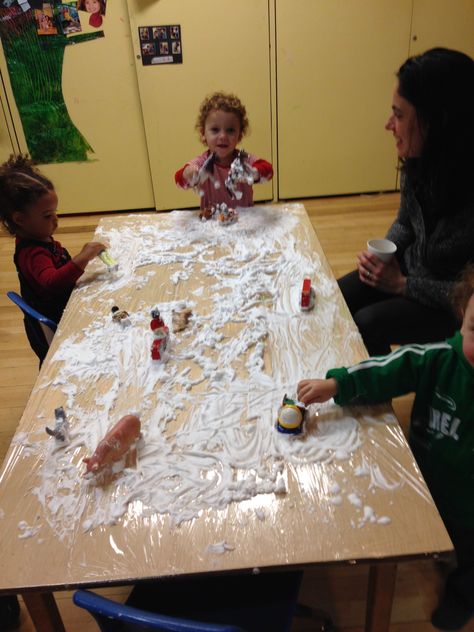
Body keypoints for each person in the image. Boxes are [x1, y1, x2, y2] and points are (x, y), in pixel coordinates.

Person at [297, 263, 474, 631]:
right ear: (462, 317)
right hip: (428, 481)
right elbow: (387, 369)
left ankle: (462, 596)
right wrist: (338, 386)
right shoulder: (438, 357)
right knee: (421, 531)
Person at [338, 48, 474, 356]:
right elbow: (405, 222)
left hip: (453, 304)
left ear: (435, 122)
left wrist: (402, 285)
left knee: (368, 322)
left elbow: (468, 296)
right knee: (338, 298)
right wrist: (383, 256)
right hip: (411, 273)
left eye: (399, 115)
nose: (389, 125)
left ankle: (379, 394)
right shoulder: (420, 160)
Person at [0, 154, 106, 365]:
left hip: (62, 307)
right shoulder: (32, 253)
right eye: (47, 215)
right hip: (56, 324)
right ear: (20, 219)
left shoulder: (39, 236)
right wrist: (82, 258)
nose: (56, 220)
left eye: (55, 212)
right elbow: (52, 283)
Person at [175, 91, 273, 210]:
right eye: (215, 130)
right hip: (211, 223)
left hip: (244, 220)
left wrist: (254, 172)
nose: (223, 136)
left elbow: (268, 171)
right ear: (203, 134)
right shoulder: (202, 162)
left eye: (230, 130)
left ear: (240, 135)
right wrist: (188, 174)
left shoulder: (243, 160)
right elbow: (179, 180)